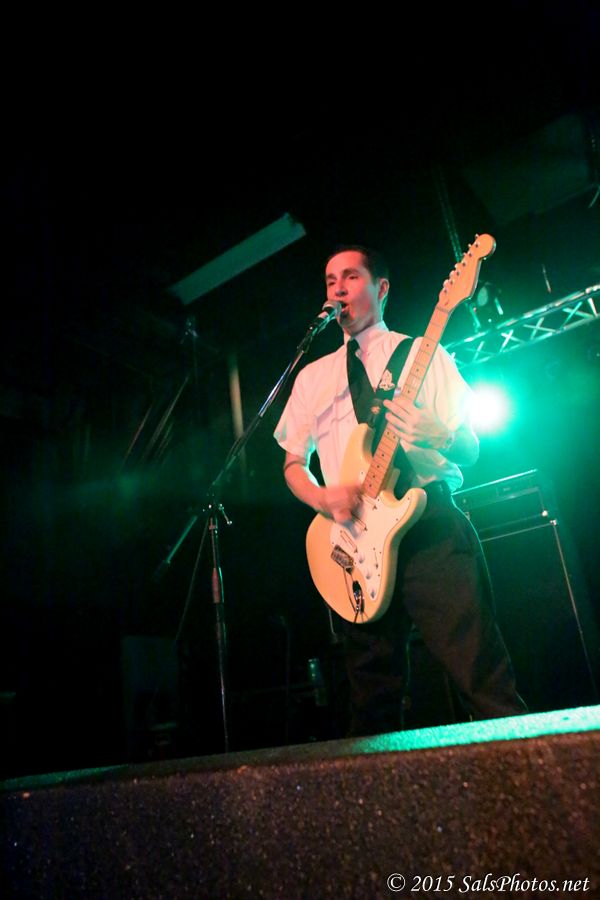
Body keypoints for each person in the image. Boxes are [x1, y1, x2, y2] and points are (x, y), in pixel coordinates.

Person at [274, 245, 527, 736]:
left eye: (351, 276)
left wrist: (441, 436)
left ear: (381, 288)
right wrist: (323, 499)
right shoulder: (312, 377)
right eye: (330, 281)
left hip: (429, 530)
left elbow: (471, 447)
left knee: (481, 676)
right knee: (371, 703)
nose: (338, 288)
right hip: (354, 543)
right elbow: (292, 463)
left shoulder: (423, 354)